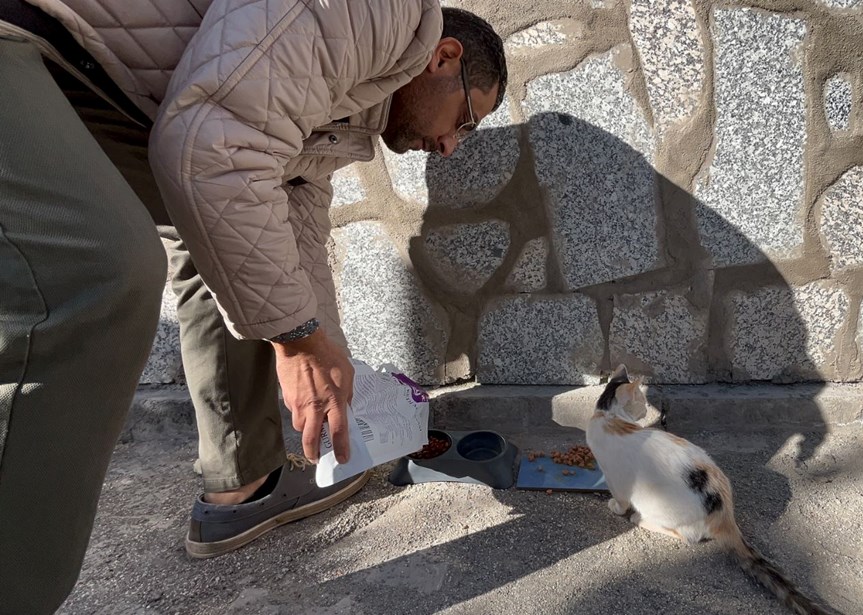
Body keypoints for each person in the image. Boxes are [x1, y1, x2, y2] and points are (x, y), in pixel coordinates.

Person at [0, 0, 506, 611]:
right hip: (24, 36)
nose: (451, 145)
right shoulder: (382, 15)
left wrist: (324, 350)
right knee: (102, 274)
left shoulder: (352, 111)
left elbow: (294, 232)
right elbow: (212, 145)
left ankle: (243, 483)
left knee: (239, 250)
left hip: (89, 83)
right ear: (443, 57)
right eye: (468, 117)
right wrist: (296, 338)